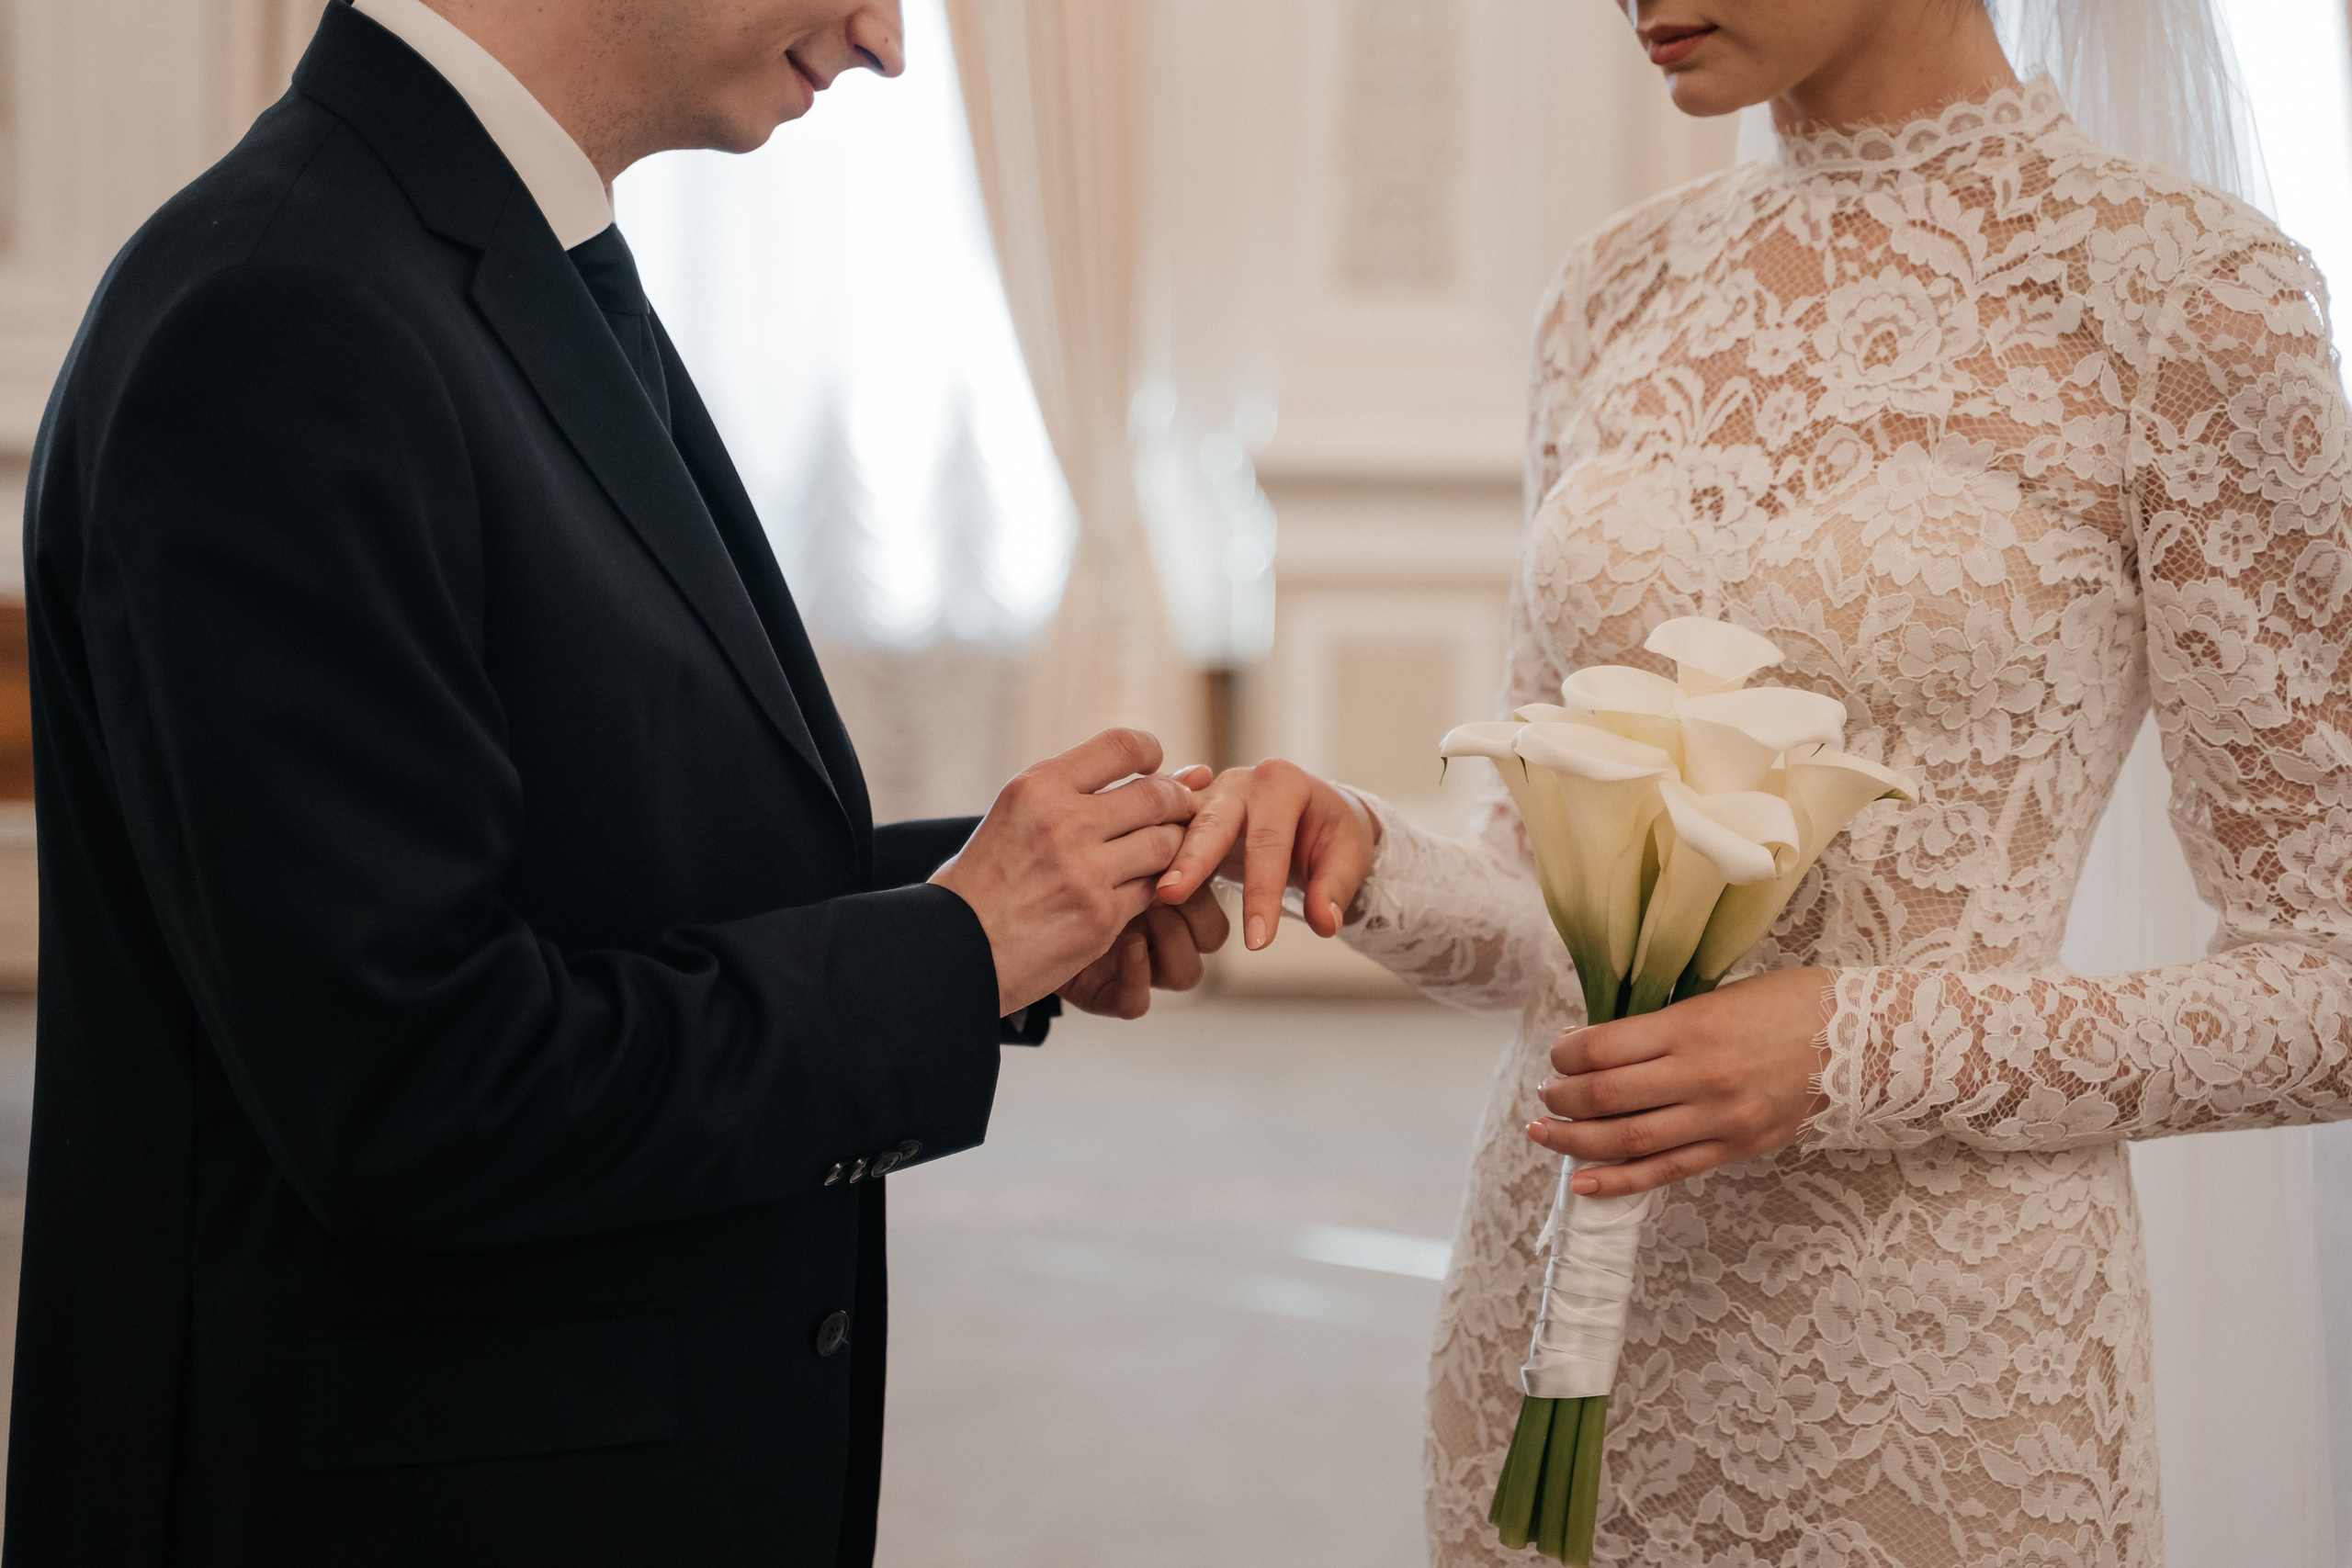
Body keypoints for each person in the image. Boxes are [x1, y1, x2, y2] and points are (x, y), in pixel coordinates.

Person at [7, 0, 1227, 1562]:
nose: (885, 40)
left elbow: (611, 864)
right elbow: (419, 1091)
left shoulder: (473, 254)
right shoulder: (282, 311)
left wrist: (1034, 896)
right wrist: (955, 947)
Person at [1159, 0, 2352, 1562]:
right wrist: (1360, 852)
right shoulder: (1613, 291)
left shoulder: (2187, 300)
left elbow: (2325, 985)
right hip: (1556, 1299)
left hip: (1936, 1371)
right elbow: (1545, 920)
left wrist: (1854, 1050)